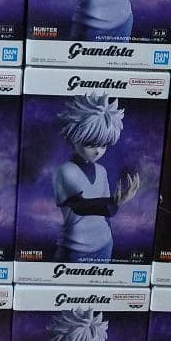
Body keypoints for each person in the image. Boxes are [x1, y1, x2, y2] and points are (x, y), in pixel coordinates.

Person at [53, 92, 140, 262]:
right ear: (73, 139)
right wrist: (115, 202)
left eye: (103, 145)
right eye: (90, 144)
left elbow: (107, 214)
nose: (98, 151)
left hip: (105, 244)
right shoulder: (65, 171)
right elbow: (80, 206)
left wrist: (114, 204)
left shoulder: (101, 171)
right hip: (74, 249)